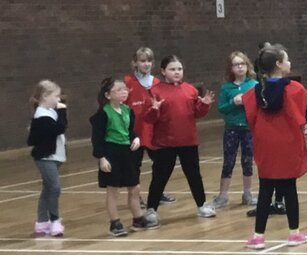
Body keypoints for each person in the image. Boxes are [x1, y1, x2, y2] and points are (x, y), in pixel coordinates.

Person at [243, 45, 307, 250]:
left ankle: (258, 236)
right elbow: (305, 114)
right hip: (287, 141)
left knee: (265, 189)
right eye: (287, 59)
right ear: (279, 64)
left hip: (265, 142)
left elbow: (250, 116)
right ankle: (294, 233)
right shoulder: (295, 89)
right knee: (289, 188)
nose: (289, 63)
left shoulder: (256, 90)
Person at [142, 56, 216, 222]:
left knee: (194, 175)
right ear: (163, 71)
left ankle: (202, 204)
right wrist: (154, 109)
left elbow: (197, 113)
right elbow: (149, 119)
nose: (176, 72)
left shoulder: (190, 90)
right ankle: (151, 209)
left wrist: (204, 104)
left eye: (179, 69)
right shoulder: (155, 91)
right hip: (165, 143)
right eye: (172, 69)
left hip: (188, 141)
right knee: (160, 176)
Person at [91, 76, 147, 237]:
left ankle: (138, 218)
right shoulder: (102, 114)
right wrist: (101, 157)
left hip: (127, 152)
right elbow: (97, 138)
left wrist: (135, 138)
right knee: (113, 190)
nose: (124, 92)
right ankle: (115, 222)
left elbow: (130, 130)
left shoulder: (127, 110)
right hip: (111, 152)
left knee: (134, 186)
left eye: (125, 89)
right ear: (108, 95)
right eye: (119, 90)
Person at [125, 47, 172, 205]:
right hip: (134, 132)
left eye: (149, 61)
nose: (146, 64)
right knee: (133, 167)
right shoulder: (127, 82)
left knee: (161, 163)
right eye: (142, 61)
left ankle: (158, 192)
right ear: (135, 63)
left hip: (153, 132)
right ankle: (135, 196)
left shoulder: (158, 83)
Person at [214, 51, 257, 210]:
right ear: (231, 68)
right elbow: (222, 108)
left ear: (247, 66)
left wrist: (247, 102)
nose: (239, 67)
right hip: (232, 129)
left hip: (248, 129)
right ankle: (223, 195)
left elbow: (257, 106)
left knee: (248, 161)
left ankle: (247, 193)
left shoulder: (253, 85)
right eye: (236, 64)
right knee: (228, 161)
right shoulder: (226, 88)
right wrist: (234, 102)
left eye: (242, 64)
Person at [27, 80, 68, 238]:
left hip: (55, 155)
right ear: (45, 96)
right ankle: (54, 220)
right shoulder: (42, 115)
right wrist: (63, 112)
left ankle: (42, 222)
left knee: (48, 188)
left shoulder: (49, 111)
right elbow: (60, 128)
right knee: (55, 187)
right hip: (46, 157)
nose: (58, 100)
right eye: (56, 96)